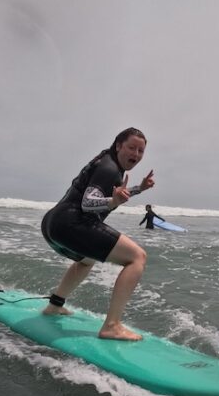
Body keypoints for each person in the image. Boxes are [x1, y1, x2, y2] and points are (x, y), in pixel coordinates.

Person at [41, 127, 155, 341]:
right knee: (137, 257)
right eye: (131, 148)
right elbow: (88, 202)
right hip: (72, 224)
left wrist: (139, 188)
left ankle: (55, 305)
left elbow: (116, 195)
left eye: (141, 151)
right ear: (119, 145)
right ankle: (112, 326)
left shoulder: (106, 162)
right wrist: (112, 201)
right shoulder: (109, 169)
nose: (136, 154)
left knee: (87, 260)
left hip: (53, 224)